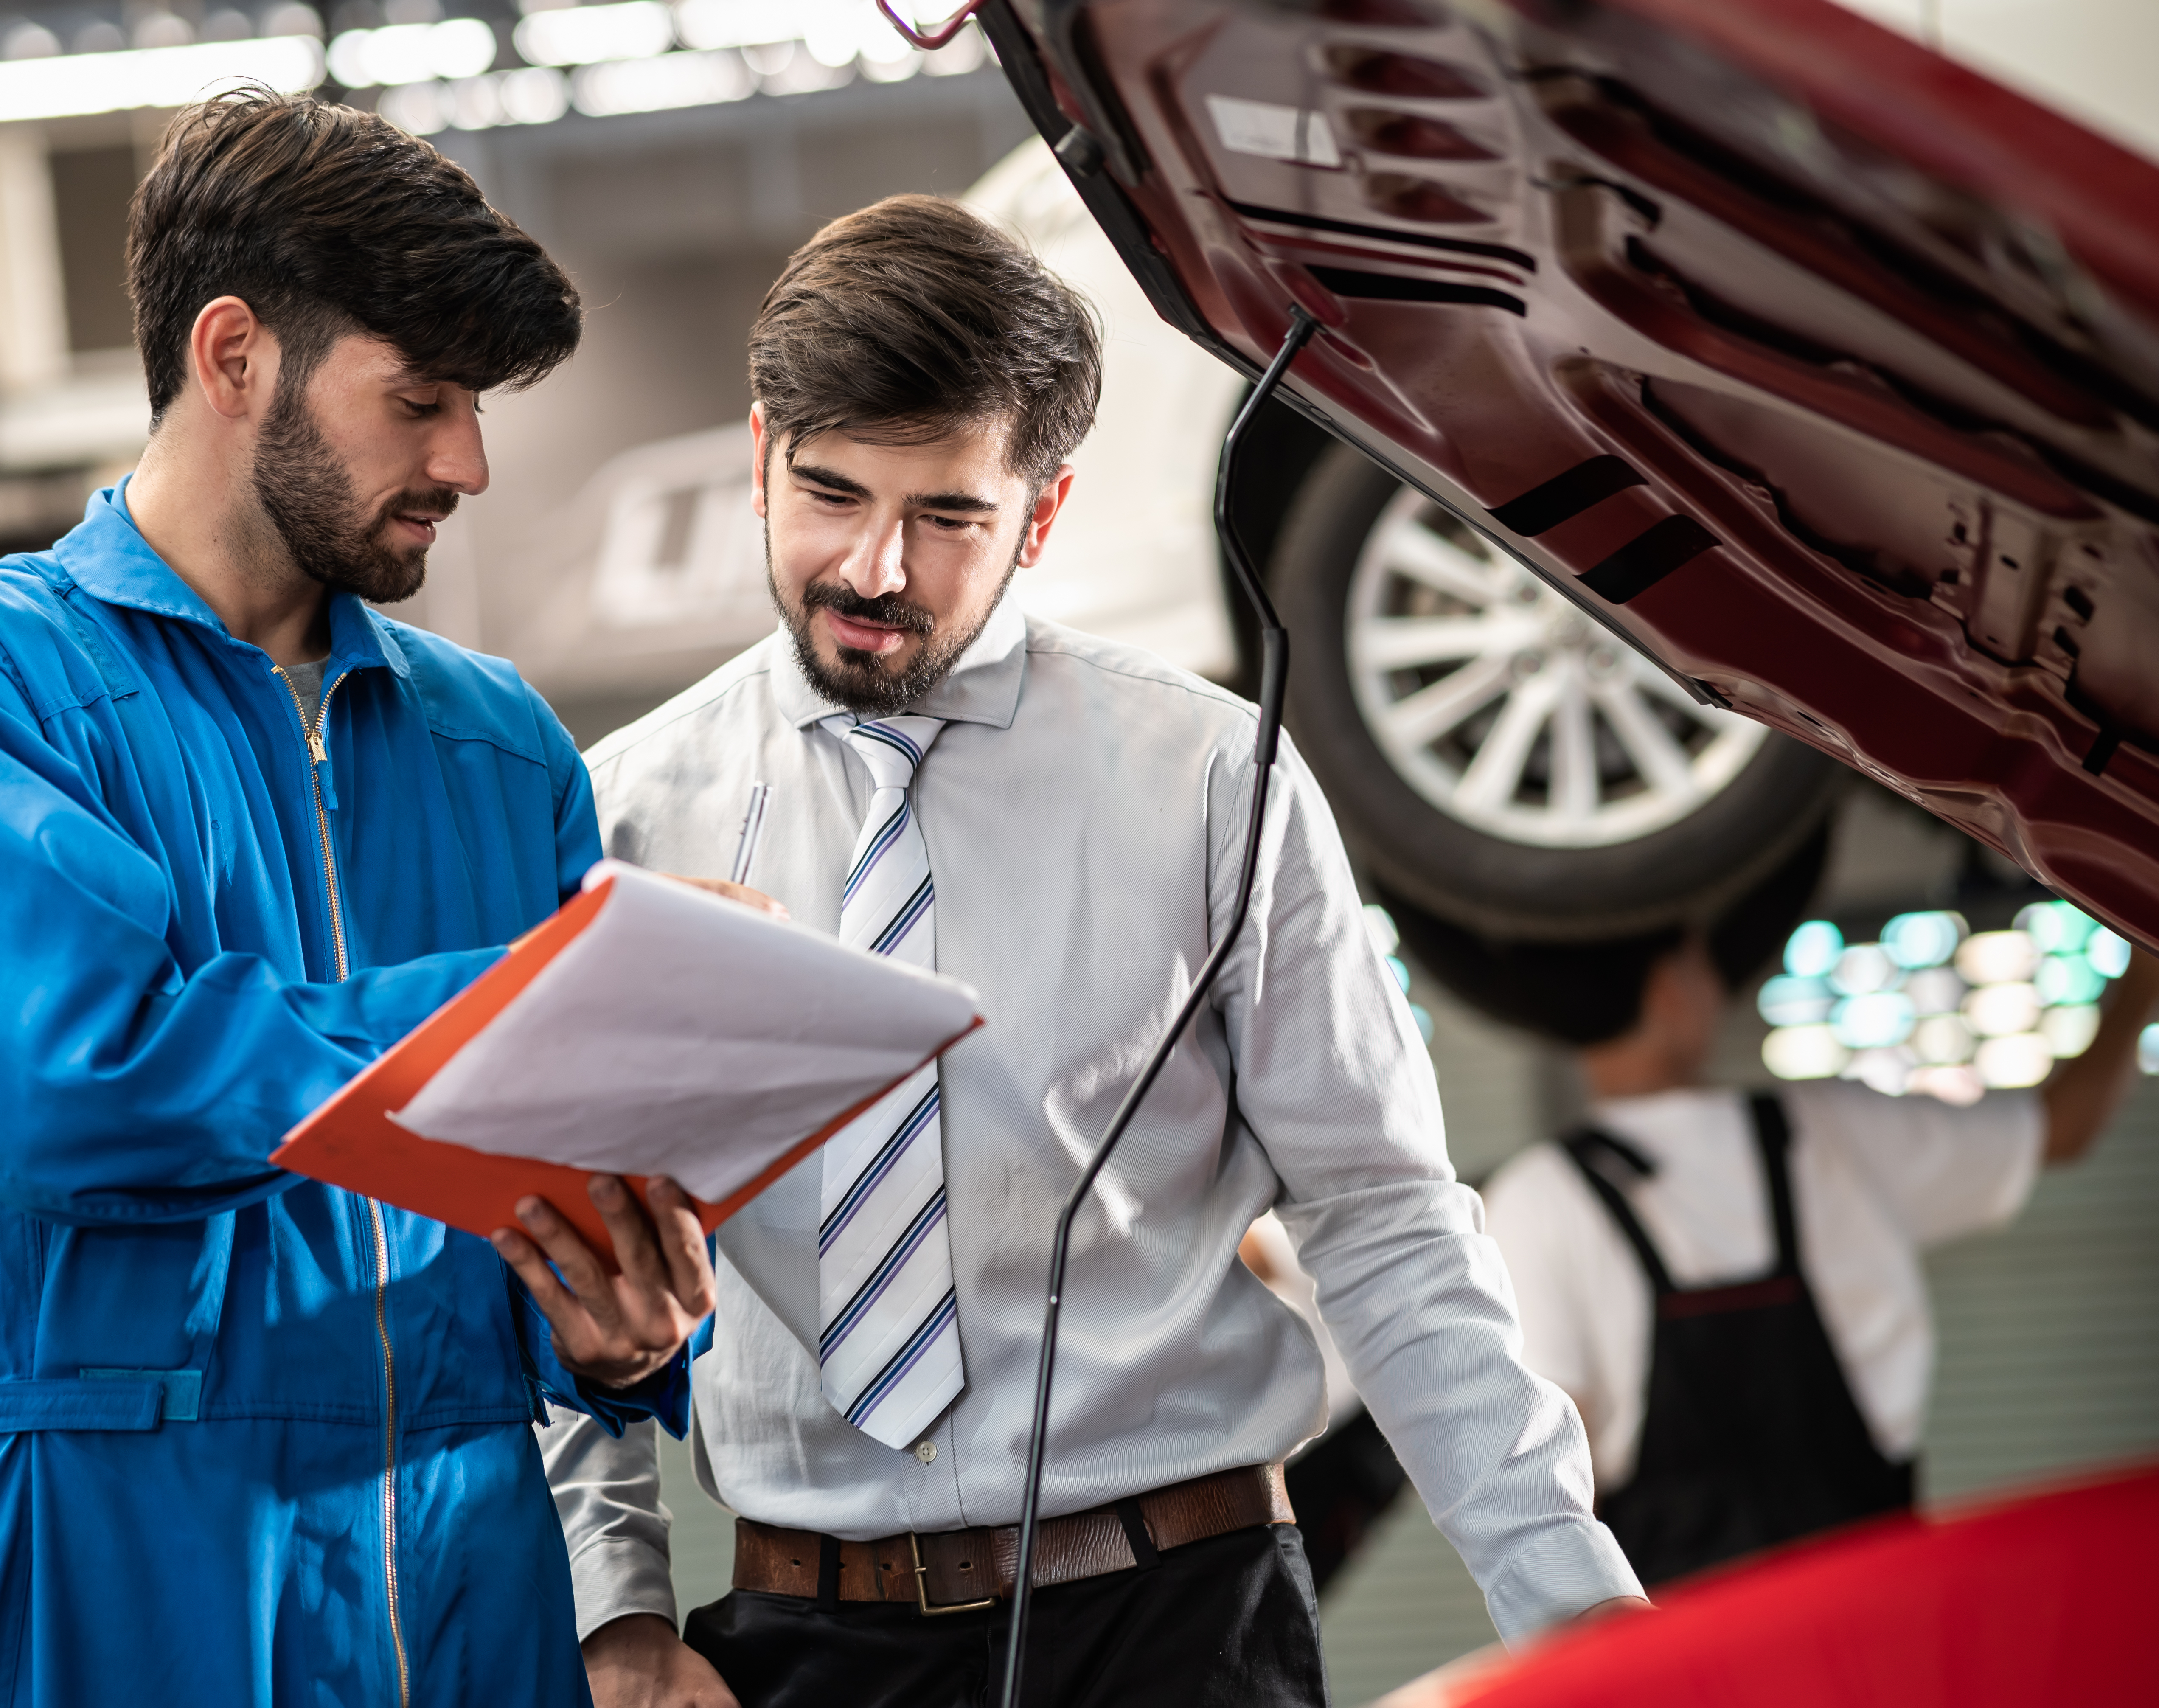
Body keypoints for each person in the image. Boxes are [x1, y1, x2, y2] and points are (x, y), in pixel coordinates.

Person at [539, 195, 1645, 1708]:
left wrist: (1583, 1617)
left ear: (1042, 515)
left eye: (947, 518)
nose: (871, 567)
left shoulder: (1211, 781)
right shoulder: (618, 817)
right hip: (800, 1645)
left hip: (1174, 1627)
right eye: (828, 493)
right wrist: (615, 1616)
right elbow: (552, 1249)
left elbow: (1381, 1223)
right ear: (755, 458)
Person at [0, 91, 717, 1706]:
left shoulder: (500, 746)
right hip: (113, 1557)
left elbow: (572, 1181)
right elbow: (75, 1084)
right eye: (418, 400)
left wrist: (619, 1332)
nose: (469, 462)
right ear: (233, 357)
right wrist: (527, 998)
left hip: (472, 1570)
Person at [1400, 840, 2159, 1588]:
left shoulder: (1537, 1198)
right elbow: (2060, 1128)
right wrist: (2149, 964)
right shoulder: (1828, 1133)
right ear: (1672, 991)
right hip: (1882, 1611)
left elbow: (1551, 1483)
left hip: (1685, 1658)